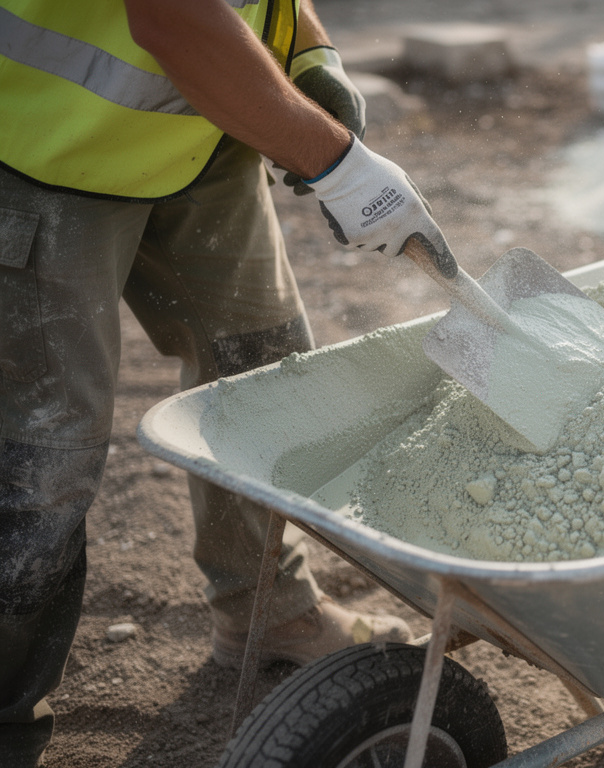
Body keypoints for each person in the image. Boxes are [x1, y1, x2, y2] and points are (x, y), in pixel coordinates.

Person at [0, 1, 459, 765]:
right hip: (39, 146)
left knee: (266, 372)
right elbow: (173, 15)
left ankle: (267, 608)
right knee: (38, 467)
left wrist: (307, 53)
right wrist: (335, 159)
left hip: (198, 134)